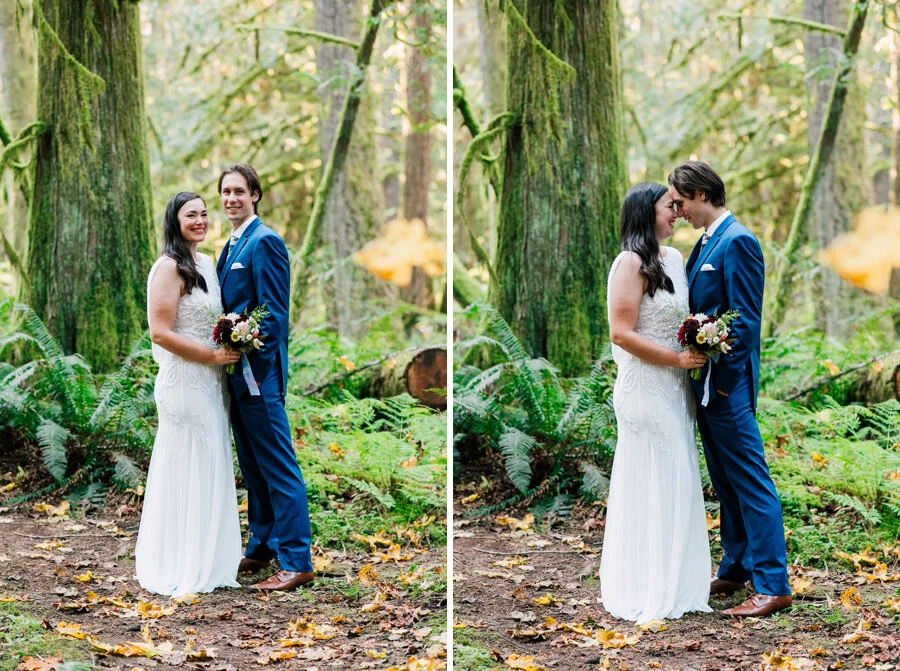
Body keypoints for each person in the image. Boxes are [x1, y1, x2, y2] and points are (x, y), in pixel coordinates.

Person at [669, 160, 792, 617]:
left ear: (701, 193)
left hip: (727, 389)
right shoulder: (705, 243)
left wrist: (722, 388)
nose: (676, 209)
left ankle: (773, 585)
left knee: (751, 483)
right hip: (705, 388)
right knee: (724, 482)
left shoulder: (738, 241)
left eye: (679, 200)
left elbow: (744, 321)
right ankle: (737, 567)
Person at [600, 182, 712, 624]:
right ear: (647, 212)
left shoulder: (676, 260)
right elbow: (621, 333)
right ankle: (647, 586)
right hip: (645, 386)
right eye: (671, 205)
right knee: (655, 476)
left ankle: (678, 582)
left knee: (679, 475)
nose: (678, 212)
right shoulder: (630, 263)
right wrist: (677, 358)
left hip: (674, 388)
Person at [136, 191, 243, 597]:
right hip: (184, 379)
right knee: (187, 465)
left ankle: (210, 560)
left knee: (210, 462)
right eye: (190, 215)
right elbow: (160, 333)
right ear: (174, 221)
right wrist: (213, 355)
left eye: (203, 214)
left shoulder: (206, 264)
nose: (199, 220)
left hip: (212, 383)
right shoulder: (169, 267)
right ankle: (179, 563)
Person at [216, 163, 314, 591]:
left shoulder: (265, 241)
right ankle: (261, 545)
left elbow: (273, 314)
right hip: (234, 378)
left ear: (255, 195)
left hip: (258, 376)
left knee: (278, 468)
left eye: (239, 191)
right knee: (253, 468)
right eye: (225, 192)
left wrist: (250, 363)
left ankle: (296, 560)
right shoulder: (232, 243)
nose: (231, 199)